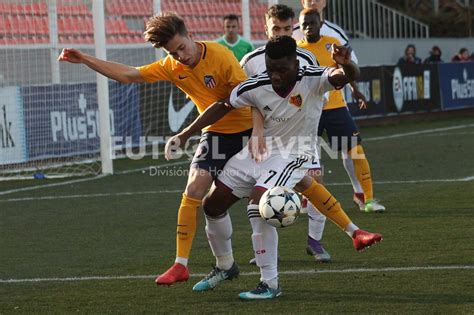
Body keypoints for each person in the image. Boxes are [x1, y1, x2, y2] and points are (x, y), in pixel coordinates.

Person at [166, 35, 382, 300]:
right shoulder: (257, 84)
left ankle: (270, 283)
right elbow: (222, 105)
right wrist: (186, 134)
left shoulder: (313, 78)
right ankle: (225, 266)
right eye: (271, 69)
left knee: (260, 204)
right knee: (212, 205)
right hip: (260, 152)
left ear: (295, 63)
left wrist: (348, 66)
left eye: (282, 69)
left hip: (296, 153)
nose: (276, 75)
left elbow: (343, 76)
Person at [58, 12, 253, 286]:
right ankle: (181, 265)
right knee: (195, 187)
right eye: (173, 53)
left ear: (189, 34)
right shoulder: (173, 67)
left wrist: (185, 134)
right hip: (217, 134)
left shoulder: (221, 56)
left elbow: (240, 100)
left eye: (182, 48)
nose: (180, 57)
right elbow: (128, 75)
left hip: (249, 131)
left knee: (265, 197)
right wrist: (85, 59)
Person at [240, 4, 332, 264]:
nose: (281, 33)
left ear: (293, 27)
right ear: (265, 28)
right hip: (269, 139)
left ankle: (314, 240)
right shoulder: (251, 62)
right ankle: (263, 251)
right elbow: (248, 100)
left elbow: (318, 94)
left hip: (302, 137)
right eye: (275, 29)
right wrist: (256, 130)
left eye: (286, 28)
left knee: (315, 183)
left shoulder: (306, 58)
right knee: (260, 194)